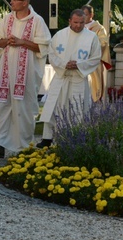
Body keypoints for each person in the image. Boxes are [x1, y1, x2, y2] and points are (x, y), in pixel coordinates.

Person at [0, 0, 50, 158]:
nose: (11, 2)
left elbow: (43, 47)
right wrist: (7, 41)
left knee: (24, 108)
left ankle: (23, 146)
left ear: (25, 3)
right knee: (4, 106)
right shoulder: (7, 19)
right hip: (7, 71)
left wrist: (22, 42)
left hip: (26, 73)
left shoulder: (37, 21)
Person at [37, 10, 101, 147]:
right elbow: (51, 53)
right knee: (54, 106)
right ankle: (48, 137)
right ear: (70, 21)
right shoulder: (60, 35)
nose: (78, 26)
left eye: (81, 23)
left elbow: (96, 58)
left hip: (78, 78)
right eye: (75, 22)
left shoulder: (91, 37)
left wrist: (79, 65)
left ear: (86, 21)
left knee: (78, 108)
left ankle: (76, 137)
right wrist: (63, 65)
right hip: (62, 76)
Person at [82, 4, 111, 102]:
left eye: (85, 14)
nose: (83, 17)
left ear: (91, 15)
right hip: (80, 61)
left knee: (95, 85)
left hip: (94, 62)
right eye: (82, 14)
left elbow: (103, 43)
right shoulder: (77, 26)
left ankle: (96, 101)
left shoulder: (99, 28)